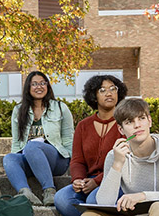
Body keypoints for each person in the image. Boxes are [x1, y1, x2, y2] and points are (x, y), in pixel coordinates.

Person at [87, 98, 159, 216]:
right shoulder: (115, 155)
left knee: (158, 206)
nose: (137, 125)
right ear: (121, 129)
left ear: (149, 121)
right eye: (129, 122)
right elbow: (104, 202)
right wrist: (117, 164)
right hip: (134, 214)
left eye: (141, 118)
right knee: (90, 214)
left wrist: (143, 196)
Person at [55, 75, 127, 216]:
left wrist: (97, 181)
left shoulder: (125, 123)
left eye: (113, 89)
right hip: (87, 182)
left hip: (115, 181)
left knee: (94, 200)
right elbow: (77, 160)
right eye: (102, 90)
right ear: (94, 96)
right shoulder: (83, 126)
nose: (109, 93)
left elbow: (126, 161)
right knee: (61, 198)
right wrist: (78, 180)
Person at [5, 71, 75, 206]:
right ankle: (25, 193)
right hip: (31, 159)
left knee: (32, 146)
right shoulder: (19, 110)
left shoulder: (60, 107)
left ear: (48, 86)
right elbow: (16, 141)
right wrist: (16, 160)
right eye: (34, 84)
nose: (39, 87)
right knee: (9, 158)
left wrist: (72, 162)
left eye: (43, 83)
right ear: (28, 87)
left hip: (57, 160)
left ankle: (49, 190)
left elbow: (68, 138)